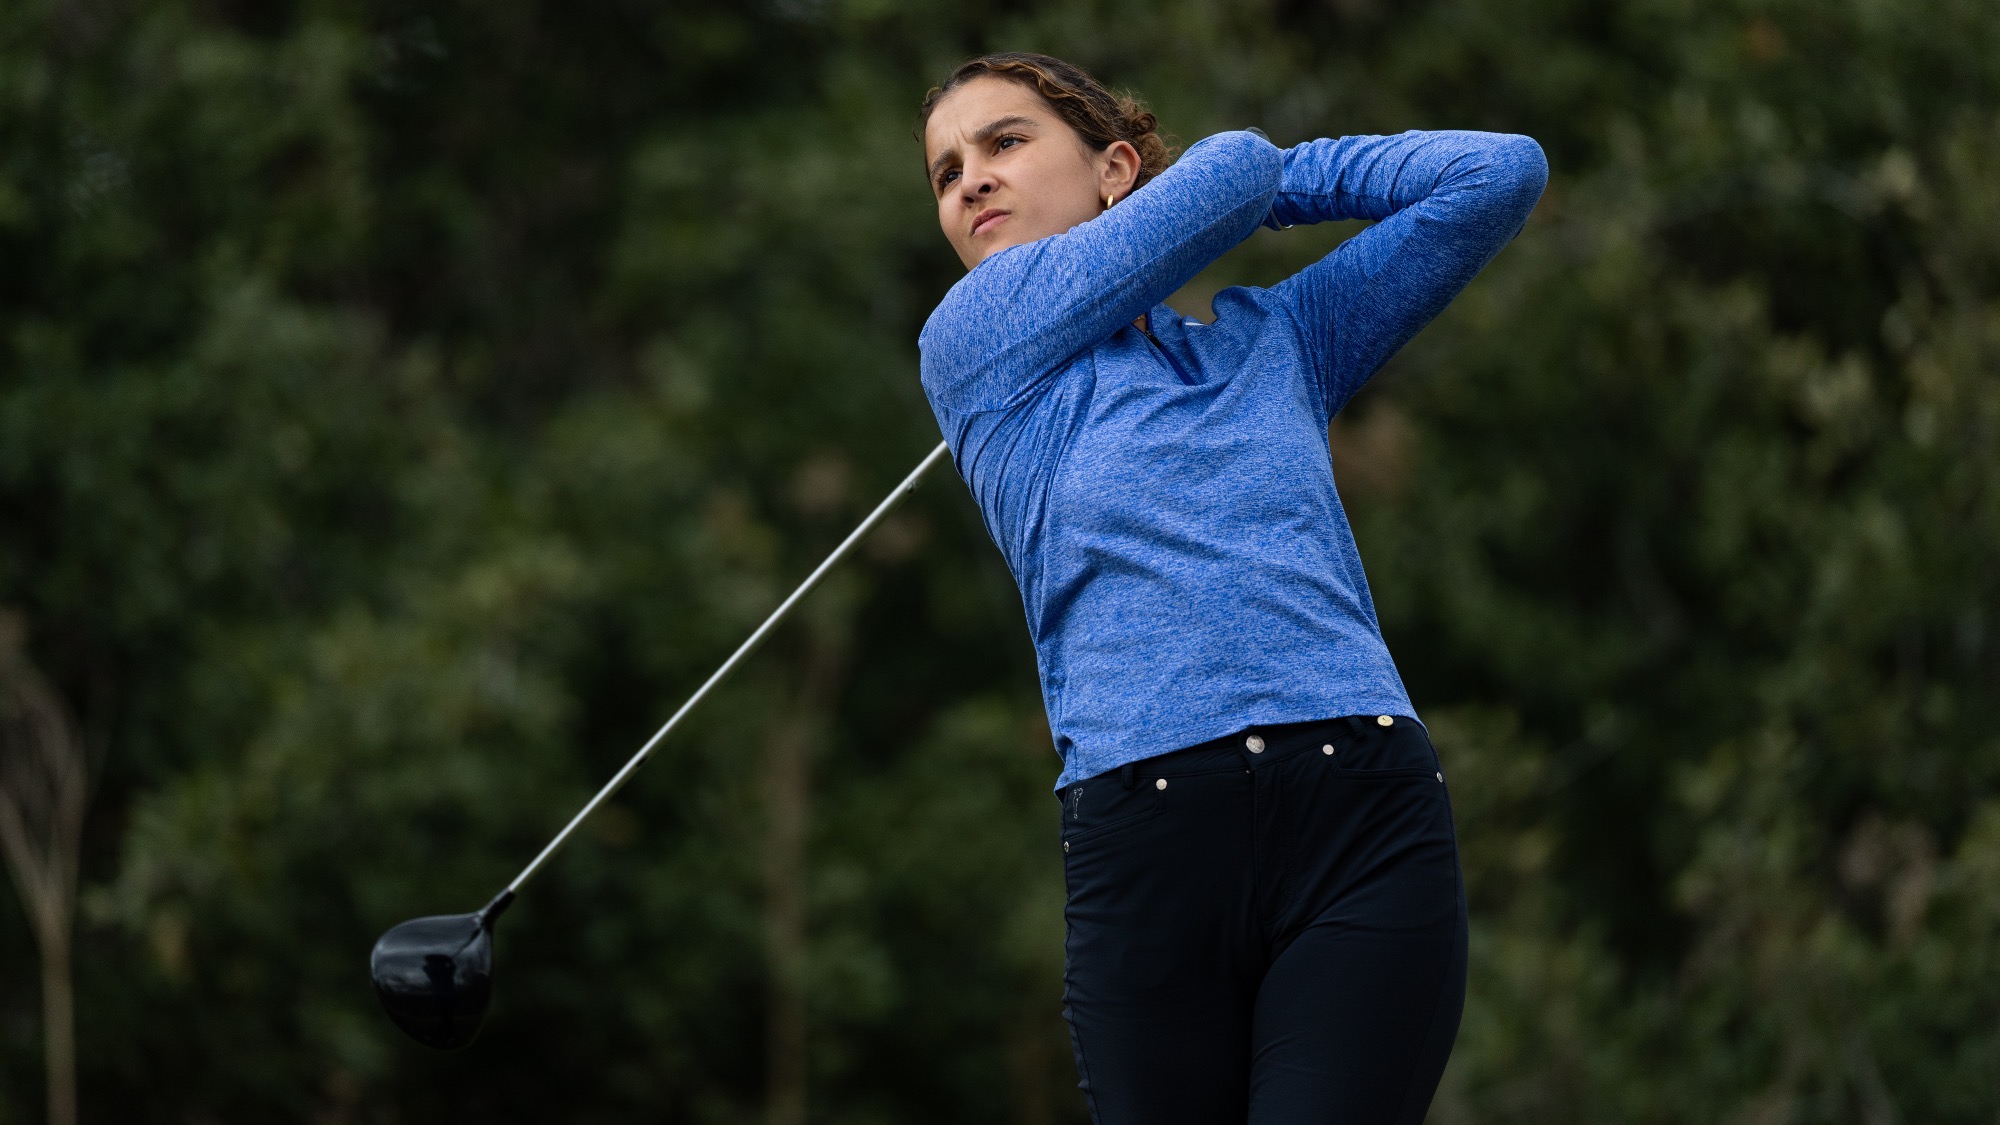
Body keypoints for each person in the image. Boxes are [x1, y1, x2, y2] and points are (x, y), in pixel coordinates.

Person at [915, 52, 1547, 1125]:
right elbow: (1233, 171)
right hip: (1149, 852)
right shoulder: (974, 341)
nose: (968, 179)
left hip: (1361, 814)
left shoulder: (1278, 342)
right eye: (943, 171)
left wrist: (1259, 185)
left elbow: (1496, 174)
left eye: (1004, 142)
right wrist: (1217, 191)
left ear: (1115, 168)